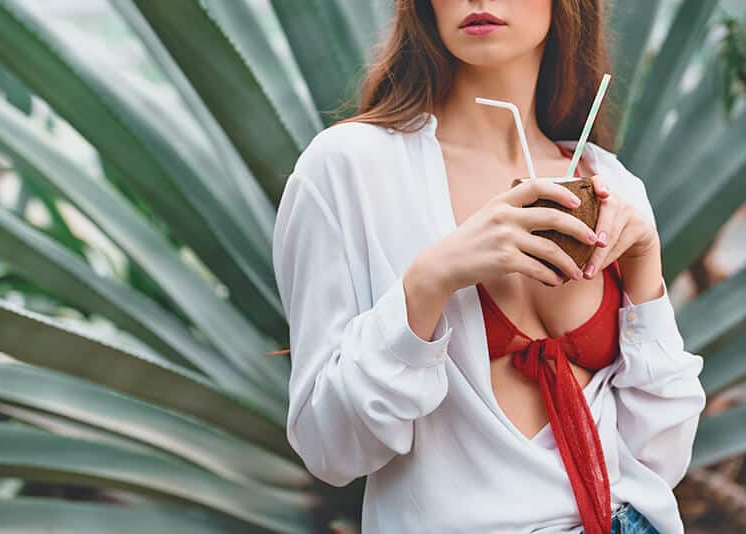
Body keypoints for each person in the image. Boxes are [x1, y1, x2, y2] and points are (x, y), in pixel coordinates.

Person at [271, 1, 706, 532]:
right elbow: (329, 448)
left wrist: (645, 269)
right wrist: (430, 282)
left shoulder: (609, 182)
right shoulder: (349, 168)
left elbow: (660, 458)